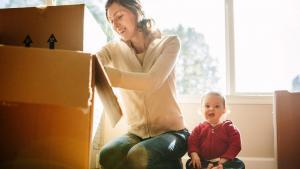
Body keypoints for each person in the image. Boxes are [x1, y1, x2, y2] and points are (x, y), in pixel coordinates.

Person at [95, 0, 189, 169]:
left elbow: (152, 81)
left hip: (173, 133)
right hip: (136, 134)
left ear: (136, 12)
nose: (115, 24)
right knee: (106, 155)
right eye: (110, 21)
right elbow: (92, 63)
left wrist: (111, 76)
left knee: (139, 155)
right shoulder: (113, 49)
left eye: (119, 16)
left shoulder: (169, 43)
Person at [186, 92, 245, 169]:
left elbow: (235, 145)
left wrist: (225, 159)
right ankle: (208, 167)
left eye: (217, 106)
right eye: (207, 106)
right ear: (201, 110)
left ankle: (219, 167)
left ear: (224, 110)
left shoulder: (229, 128)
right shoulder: (198, 129)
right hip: (204, 161)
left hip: (224, 161)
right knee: (190, 164)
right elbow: (192, 142)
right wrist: (194, 154)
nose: (211, 108)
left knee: (239, 164)